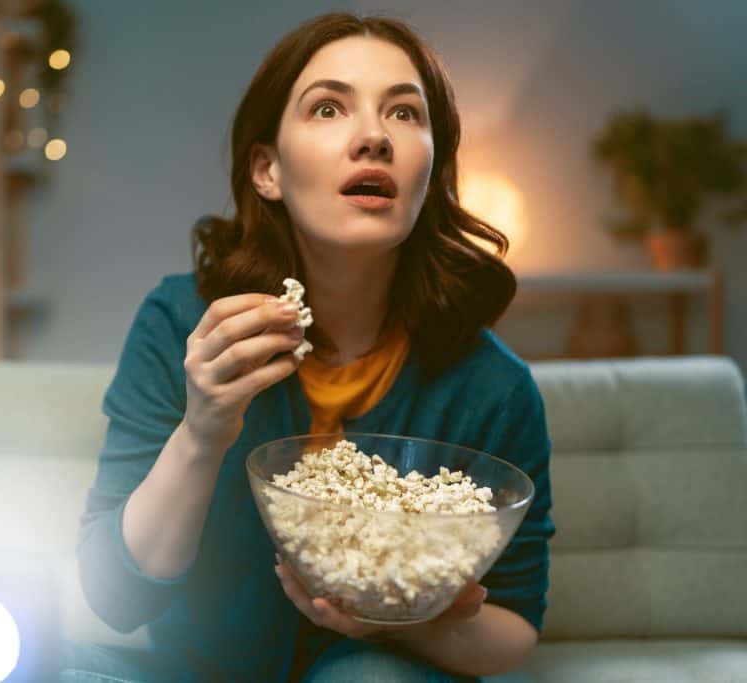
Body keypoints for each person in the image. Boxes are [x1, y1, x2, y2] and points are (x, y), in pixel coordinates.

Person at [63, 11, 555, 683]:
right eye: (328, 108)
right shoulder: (182, 325)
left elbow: (514, 628)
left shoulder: (489, 385)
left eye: (405, 115)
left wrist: (390, 618)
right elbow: (115, 598)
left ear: (431, 167)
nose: (374, 137)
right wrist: (203, 432)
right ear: (267, 169)